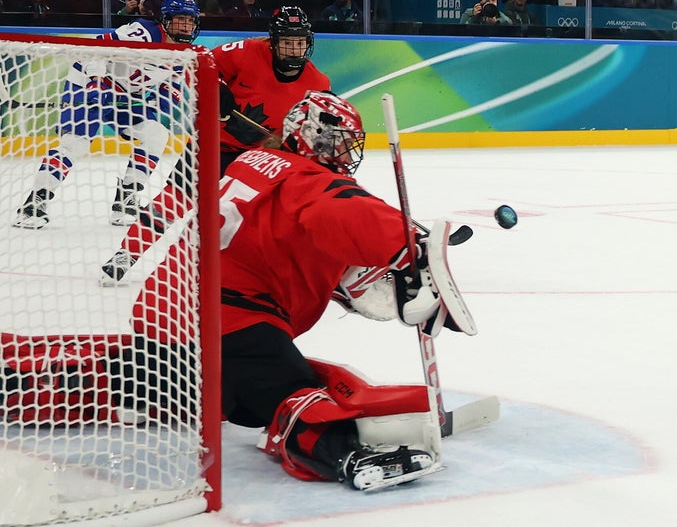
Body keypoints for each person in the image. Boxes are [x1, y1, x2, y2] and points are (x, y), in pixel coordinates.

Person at [133, 91, 447, 489]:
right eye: (336, 141)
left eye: (350, 143)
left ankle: (119, 385)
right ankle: (344, 456)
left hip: (164, 308)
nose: (345, 152)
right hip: (222, 319)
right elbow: (346, 209)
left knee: (177, 382)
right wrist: (407, 246)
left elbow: (297, 238)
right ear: (307, 136)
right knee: (295, 393)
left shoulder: (255, 161)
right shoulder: (305, 179)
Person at [100, 6, 332, 283]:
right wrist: (216, 87)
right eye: (287, 43)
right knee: (172, 201)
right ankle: (127, 253)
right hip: (213, 145)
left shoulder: (318, 83)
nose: (294, 51)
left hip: (262, 161)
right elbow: (199, 62)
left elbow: (316, 130)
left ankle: (279, 274)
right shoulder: (245, 52)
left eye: (300, 43)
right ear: (273, 41)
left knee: (267, 221)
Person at [13, 0, 201, 230]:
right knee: (76, 143)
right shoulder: (143, 34)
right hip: (86, 82)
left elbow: (170, 85)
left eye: (190, 20)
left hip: (127, 95)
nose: (185, 26)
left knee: (155, 135)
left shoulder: (184, 52)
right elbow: (96, 48)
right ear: (166, 19)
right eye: (180, 19)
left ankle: (126, 201)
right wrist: (96, 82)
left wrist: (161, 102)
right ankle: (35, 203)